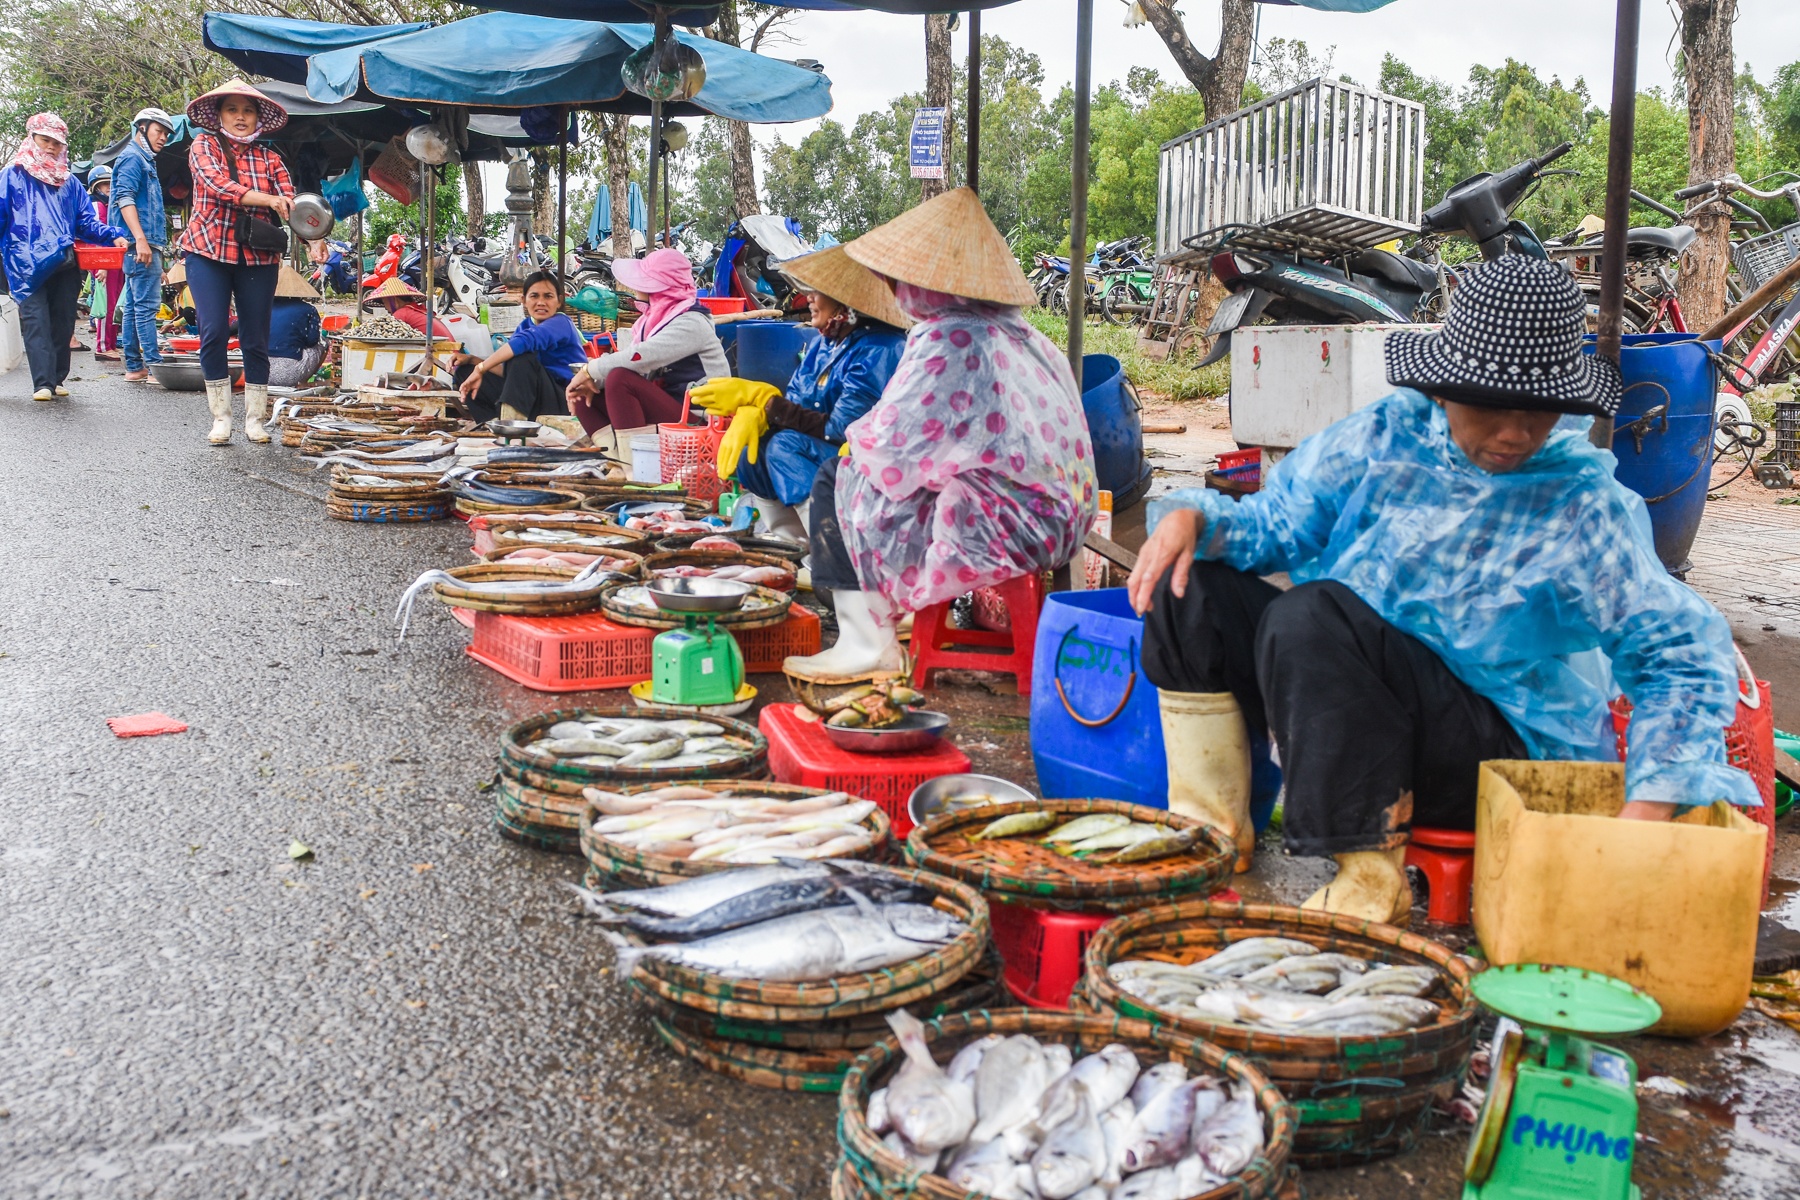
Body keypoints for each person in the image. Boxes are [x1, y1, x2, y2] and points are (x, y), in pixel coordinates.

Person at [1125, 255, 1760, 923]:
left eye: (1539, 412)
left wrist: (1646, 813)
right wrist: (1196, 520)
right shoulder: (1388, 435)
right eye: (1491, 404)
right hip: (1354, 700)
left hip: (1489, 753)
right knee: (1190, 583)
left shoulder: (1579, 503)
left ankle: (1369, 881)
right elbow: (1278, 526)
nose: (1514, 432)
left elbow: (1677, 654)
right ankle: (1213, 833)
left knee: (1312, 617)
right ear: (1445, 387)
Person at [783, 187, 1100, 679]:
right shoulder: (1023, 335)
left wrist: (853, 443)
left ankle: (865, 644)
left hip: (1014, 520)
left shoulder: (947, 336)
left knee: (836, 479)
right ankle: (882, 625)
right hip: (1066, 513)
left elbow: (891, 445)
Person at [689, 246, 909, 544]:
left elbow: (841, 430)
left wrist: (767, 403)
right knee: (753, 450)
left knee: (785, 447)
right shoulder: (826, 343)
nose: (809, 299)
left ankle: (832, 547)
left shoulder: (880, 349)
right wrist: (760, 414)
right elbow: (796, 403)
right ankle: (795, 544)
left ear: (846, 303)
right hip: (825, 452)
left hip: (869, 463)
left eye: (818, 293)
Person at [179, 78, 295, 446]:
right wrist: (267, 200)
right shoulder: (203, 145)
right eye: (232, 110)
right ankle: (221, 417)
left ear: (258, 118)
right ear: (219, 115)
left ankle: (255, 419)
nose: (240, 117)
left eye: (248, 111)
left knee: (255, 337)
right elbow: (217, 185)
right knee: (213, 330)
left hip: (258, 255)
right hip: (207, 250)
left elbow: (290, 201)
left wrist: (315, 236)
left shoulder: (272, 159)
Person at [0, 113, 128, 401]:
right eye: (45, 140)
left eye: (57, 143)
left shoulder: (69, 182)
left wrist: (112, 234)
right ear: (32, 138)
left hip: (64, 260)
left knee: (62, 321)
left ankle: (56, 379)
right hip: (24, 264)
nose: (51, 147)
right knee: (36, 321)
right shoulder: (11, 176)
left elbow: (86, 223)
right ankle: (43, 383)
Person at [564, 247, 727, 449]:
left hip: (701, 422)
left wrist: (589, 370)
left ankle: (632, 462)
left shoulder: (692, 323)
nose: (635, 288)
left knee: (620, 379)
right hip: (671, 411)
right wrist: (591, 380)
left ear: (656, 290)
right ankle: (614, 457)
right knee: (582, 392)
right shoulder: (653, 321)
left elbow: (640, 358)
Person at [453, 269, 583, 423]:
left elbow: (524, 344)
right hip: (534, 395)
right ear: (524, 300)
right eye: (534, 296)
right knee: (465, 371)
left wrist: (481, 368)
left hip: (566, 400)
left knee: (522, 358)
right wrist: (473, 361)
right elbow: (510, 371)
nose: (541, 302)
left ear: (559, 301)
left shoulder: (561, 322)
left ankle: (511, 426)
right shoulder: (525, 326)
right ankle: (490, 424)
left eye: (548, 296)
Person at [113, 106, 176, 383]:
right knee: (147, 307)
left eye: (166, 134)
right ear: (142, 128)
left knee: (134, 306)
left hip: (142, 242)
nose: (163, 138)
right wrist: (140, 239)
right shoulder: (133, 158)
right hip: (141, 242)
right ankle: (154, 367)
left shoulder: (143, 159)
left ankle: (135, 366)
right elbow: (124, 198)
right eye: (158, 131)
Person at [84, 165, 125, 361]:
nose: (109, 187)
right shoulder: (96, 206)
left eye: (110, 183)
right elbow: (96, 236)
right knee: (106, 304)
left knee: (115, 304)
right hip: (103, 260)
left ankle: (111, 343)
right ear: (95, 187)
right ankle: (102, 346)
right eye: (104, 184)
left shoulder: (110, 206)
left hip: (114, 259)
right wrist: (101, 264)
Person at [267, 265, 323, 387]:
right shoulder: (309, 309)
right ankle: (302, 383)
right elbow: (312, 341)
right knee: (324, 344)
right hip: (290, 373)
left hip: (260, 373)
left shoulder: (263, 307)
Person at [367, 277, 453, 338]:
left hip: (444, 353)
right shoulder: (415, 310)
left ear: (394, 300)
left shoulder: (402, 313)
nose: (385, 307)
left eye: (384, 302)